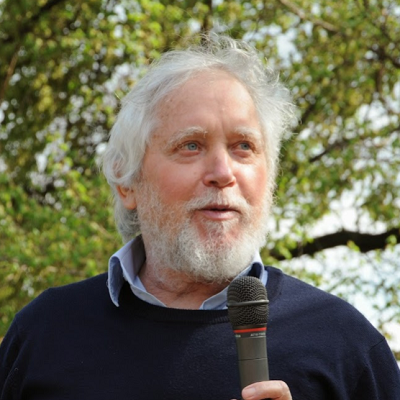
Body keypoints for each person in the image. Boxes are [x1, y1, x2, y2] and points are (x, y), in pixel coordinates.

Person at [0, 34, 399, 400]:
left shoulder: (345, 345)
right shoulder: (44, 333)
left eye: (244, 146)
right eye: (191, 145)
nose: (223, 173)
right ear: (127, 181)